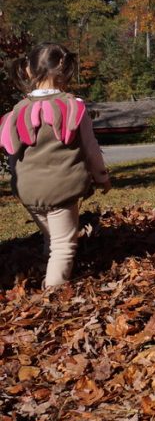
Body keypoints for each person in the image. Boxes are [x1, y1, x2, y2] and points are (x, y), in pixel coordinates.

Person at [0, 43, 110, 287]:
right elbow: (91, 149)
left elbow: (11, 154)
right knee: (64, 245)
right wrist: (102, 177)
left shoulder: (16, 112)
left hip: (28, 191)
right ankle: (53, 296)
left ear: (28, 71)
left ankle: (47, 268)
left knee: (52, 236)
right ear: (65, 70)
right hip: (62, 188)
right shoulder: (73, 107)